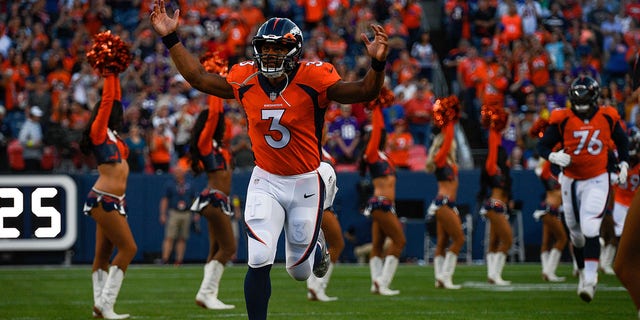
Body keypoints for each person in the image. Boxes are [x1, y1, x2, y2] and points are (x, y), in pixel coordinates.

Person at [151, 4, 389, 318]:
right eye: (266, 49)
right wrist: (171, 39)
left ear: (295, 51)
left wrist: (377, 63)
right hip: (266, 179)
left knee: (298, 271)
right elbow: (199, 78)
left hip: (305, 179)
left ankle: (314, 248)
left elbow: (362, 91)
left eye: (279, 49)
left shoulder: (313, 78)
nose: (271, 56)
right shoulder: (245, 77)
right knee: (259, 257)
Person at [537, 75, 629, 303]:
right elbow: (542, 144)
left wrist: (624, 162)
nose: (582, 109)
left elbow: (622, 141)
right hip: (570, 180)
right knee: (576, 234)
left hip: (597, 178)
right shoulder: (563, 118)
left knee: (590, 224)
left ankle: (590, 279)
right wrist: (552, 155)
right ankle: (582, 270)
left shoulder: (607, 116)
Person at [80, 31, 137, 319]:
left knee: (102, 256)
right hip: (104, 198)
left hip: (113, 200)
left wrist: (114, 72)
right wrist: (108, 71)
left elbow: (114, 98)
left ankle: (99, 307)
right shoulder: (98, 132)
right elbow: (108, 100)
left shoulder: (114, 136)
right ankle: (105, 303)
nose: (117, 109)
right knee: (129, 248)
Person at [189, 50, 237, 310]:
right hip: (214, 201)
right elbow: (216, 115)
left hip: (221, 202)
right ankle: (206, 293)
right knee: (229, 248)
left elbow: (221, 120)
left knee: (216, 248)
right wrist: (215, 80)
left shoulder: (220, 147)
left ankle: (208, 294)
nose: (221, 122)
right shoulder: (206, 144)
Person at [359, 90, 407, 296]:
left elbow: (381, 130)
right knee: (399, 241)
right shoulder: (371, 155)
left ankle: (375, 283)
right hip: (381, 204)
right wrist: (377, 107)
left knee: (378, 245)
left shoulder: (385, 156)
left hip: (386, 205)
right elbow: (378, 130)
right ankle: (383, 282)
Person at [425, 96, 464, 289]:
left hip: (447, 203)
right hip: (444, 203)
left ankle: (439, 278)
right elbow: (448, 139)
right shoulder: (440, 159)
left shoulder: (450, 163)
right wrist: (449, 119)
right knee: (459, 239)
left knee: (443, 240)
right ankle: (446, 277)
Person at [529, 117, 568, 282]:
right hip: (550, 209)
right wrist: (550, 151)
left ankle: (546, 270)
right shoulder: (547, 172)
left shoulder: (554, 172)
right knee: (562, 239)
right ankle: (549, 271)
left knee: (547, 241)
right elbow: (544, 170)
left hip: (549, 208)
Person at [478, 103, 513, 286]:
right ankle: (495, 273)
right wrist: (494, 127)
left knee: (495, 240)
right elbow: (493, 148)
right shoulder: (492, 168)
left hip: (500, 206)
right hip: (494, 205)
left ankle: (492, 275)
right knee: (507, 239)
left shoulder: (503, 171)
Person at [306, 146, 345, 302]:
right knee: (337, 244)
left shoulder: (322, 150)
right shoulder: (312, 149)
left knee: (313, 245)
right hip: (320, 205)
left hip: (318, 204)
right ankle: (319, 286)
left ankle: (312, 287)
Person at [159, 163, 197, 266]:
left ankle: (179, 260)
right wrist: (163, 213)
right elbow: (165, 199)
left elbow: (194, 199)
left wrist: (196, 212)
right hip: (174, 212)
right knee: (169, 236)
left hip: (186, 212)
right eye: (176, 172)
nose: (177, 174)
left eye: (179, 172)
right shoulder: (170, 184)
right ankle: (165, 259)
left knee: (182, 238)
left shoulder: (189, 184)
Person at [18, 105, 44, 172]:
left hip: (37, 156)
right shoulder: (26, 126)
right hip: (29, 157)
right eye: (37, 116)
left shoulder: (38, 125)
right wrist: (33, 144)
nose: (39, 117)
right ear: (33, 116)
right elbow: (22, 141)